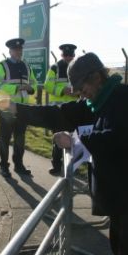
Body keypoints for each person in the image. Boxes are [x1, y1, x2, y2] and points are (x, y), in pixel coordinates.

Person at [0, 52, 128, 255]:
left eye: (80, 86)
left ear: (95, 77)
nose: (77, 92)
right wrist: (17, 109)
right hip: (122, 194)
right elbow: (58, 114)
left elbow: (115, 137)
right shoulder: (95, 101)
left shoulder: (122, 96)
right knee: (120, 248)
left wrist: (75, 139)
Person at [0, 38, 37, 177]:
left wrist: (30, 88)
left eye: (20, 50)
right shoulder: (1, 66)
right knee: (5, 139)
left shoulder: (26, 66)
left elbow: (34, 82)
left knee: (20, 138)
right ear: (10, 51)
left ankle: (19, 165)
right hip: (7, 108)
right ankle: (4, 167)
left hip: (22, 109)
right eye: (16, 50)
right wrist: (16, 88)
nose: (18, 52)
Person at [44, 43, 78, 176]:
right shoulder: (55, 68)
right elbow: (48, 86)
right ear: (62, 55)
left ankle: (72, 166)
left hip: (74, 110)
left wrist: (78, 93)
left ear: (74, 55)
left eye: (71, 55)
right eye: (66, 55)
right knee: (58, 138)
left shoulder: (78, 68)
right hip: (58, 110)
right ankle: (56, 166)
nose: (68, 57)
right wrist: (62, 90)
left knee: (74, 139)